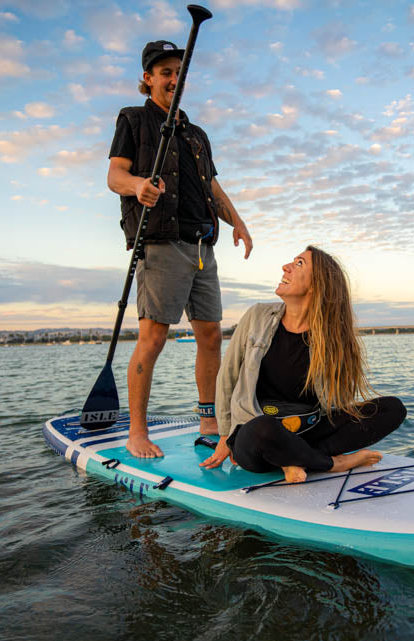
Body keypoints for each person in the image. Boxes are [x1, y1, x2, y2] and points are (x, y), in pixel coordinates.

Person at [108, 39, 253, 458]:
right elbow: (115, 175)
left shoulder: (197, 134)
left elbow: (210, 185)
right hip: (161, 243)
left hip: (203, 245)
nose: (174, 78)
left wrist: (237, 222)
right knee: (153, 338)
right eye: (165, 72)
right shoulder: (134, 120)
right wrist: (138, 186)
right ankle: (137, 432)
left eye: (179, 72)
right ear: (148, 79)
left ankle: (209, 419)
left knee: (210, 335)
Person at [199, 246, 406, 483]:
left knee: (393, 409)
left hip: (308, 431)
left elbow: (335, 402)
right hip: (256, 433)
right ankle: (332, 463)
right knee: (263, 428)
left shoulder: (332, 338)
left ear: (316, 285)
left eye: (299, 264)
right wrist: (225, 435)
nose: (285, 267)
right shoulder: (257, 315)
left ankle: (295, 457)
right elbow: (228, 375)